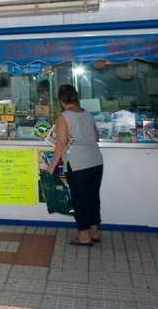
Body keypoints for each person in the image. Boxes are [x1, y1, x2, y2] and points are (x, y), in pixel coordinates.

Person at [47, 84, 104, 246]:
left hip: (78, 163)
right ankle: (95, 232)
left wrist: (51, 166)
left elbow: (61, 144)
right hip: (96, 160)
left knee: (79, 200)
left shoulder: (63, 117)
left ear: (60, 100)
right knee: (93, 197)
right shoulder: (87, 114)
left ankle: (83, 236)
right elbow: (97, 137)